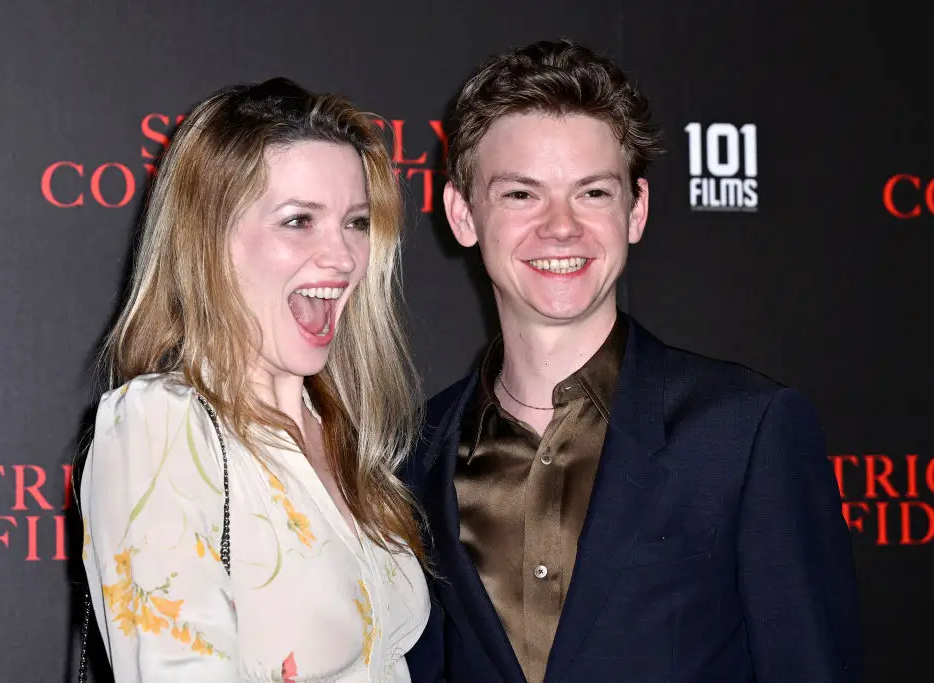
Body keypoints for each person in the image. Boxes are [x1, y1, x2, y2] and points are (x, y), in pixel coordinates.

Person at [404, 40, 862, 683]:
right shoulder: (413, 455)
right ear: (462, 214)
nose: (560, 227)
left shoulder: (745, 432)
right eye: (521, 195)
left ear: (635, 210)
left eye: (592, 192)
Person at [79, 78, 429, 681]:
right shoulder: (161, 426)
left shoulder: (339, 430)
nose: (344, 257)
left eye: (356, 222)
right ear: (208, 241)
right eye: (299, 221)